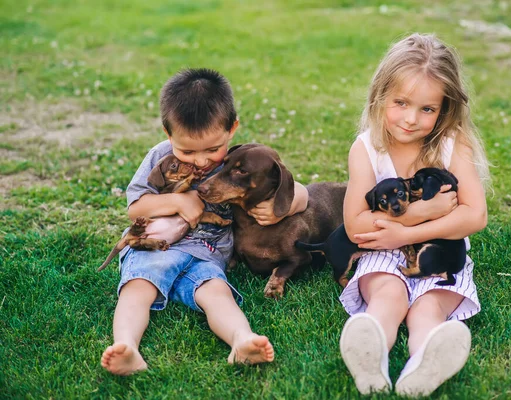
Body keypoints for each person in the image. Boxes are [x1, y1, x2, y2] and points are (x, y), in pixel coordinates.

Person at [100, 68, 309, 375]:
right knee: (138, 287)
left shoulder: (240, 162)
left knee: (217, 293)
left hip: (208, 254)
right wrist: (177, 200)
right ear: (168, 133)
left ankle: (242, 340)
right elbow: (136, 208)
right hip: (155, 248)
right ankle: (127, 346)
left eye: (212, 149)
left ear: (232, 128)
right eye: (187, 150)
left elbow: (296, 190)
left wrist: (289, 208)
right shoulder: (160, 157)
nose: (200, 161)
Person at [338, 33, 490, 396]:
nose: (410, 119)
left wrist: (403, 234)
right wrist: (416, 215)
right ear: (380, 96)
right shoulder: (366, 150)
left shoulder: (453, 144)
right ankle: (369, 354)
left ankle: (425, 360)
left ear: (445, 109)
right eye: (401, 103)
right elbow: (355, 225)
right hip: (383, 253)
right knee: (388, 296)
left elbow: (476, 215)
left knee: (427, 308)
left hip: (441, 255)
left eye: (427, 109)